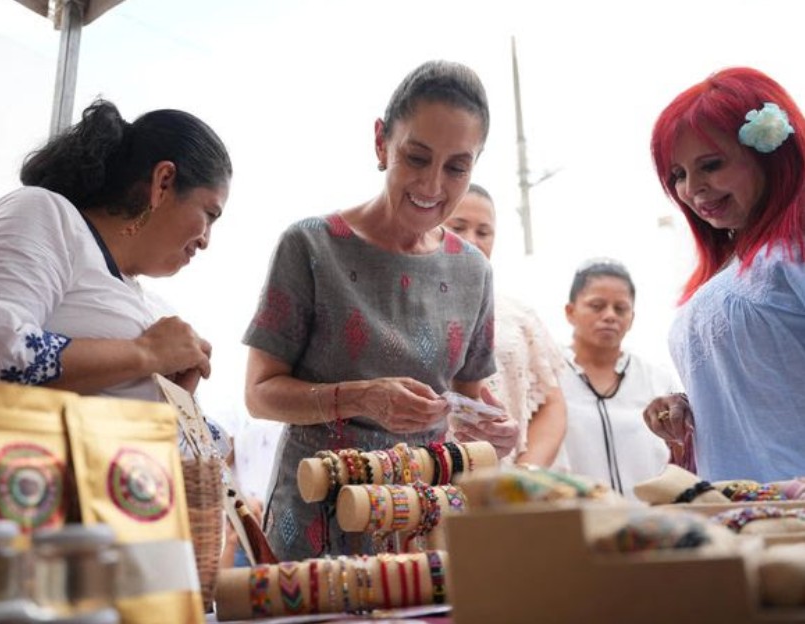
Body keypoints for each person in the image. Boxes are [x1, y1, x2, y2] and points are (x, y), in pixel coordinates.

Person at [242, 60, 520, 561]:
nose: (433, 185)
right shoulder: (311, 245)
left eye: (457, 167)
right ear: (380, 143)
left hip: (421, 523)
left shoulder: (472, 270)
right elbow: (259, 395)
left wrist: (493, 426)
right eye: (416, 157)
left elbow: (469, 393)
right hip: (314, 520)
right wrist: (361, 398)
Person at [0, 99, 233, 528]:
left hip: (90, 551)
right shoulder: (44, 215)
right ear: (163, 182)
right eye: (209, 213)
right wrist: (146, 355)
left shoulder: (142, 300)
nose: (207, 240)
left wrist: (176, 404)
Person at [644, 67, 805, 483]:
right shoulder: (733, 267)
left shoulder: (791, 255)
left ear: (770, 152)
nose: (692, 188)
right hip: (743, 513)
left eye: (710, 164)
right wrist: (687, 405)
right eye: (677, 175)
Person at [444, 183, 567, 467]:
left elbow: (551, 402)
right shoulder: (397, 308)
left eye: (483, 232)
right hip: (415, 488)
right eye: (458, 227)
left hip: (501, 487)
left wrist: (526, 474)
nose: (472, 240)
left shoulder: (519, 316)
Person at [555, 259, 681, 499]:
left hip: (649, 525)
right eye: (597, 306)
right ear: (570, 312)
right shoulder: (549, 377)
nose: (610, 316)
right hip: (573, 524)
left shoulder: (658, 380)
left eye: (620, 308)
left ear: (631, 318)